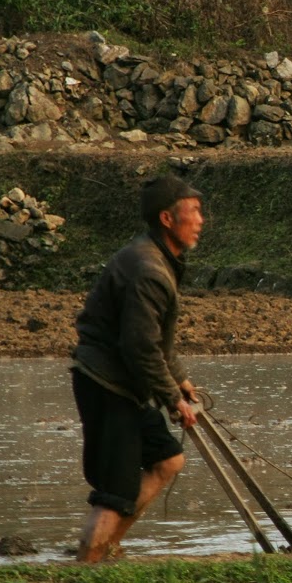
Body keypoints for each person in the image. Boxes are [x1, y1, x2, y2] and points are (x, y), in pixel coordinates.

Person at [70, 173, 205, 562]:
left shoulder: (157, 258)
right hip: (107, 385)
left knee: (167, 459)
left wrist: (178, 379)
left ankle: (106, 550)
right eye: (193, 212)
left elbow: (157, 340)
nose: (200, 221)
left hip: (122, 382)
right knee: (116, 494)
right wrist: (170, 398)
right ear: (167, 219)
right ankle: (86, 567)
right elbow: (140, 348)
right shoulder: (149, 269)